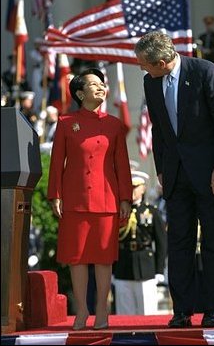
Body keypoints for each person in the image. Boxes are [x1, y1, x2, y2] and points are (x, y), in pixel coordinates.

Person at [134, 31, 214, 328]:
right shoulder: (151, 81)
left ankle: (213, 309)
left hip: (211, 174)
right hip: (176, 176)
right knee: (179, 242)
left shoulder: (206, 72)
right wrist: (162, 168)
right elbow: (158, 128)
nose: (142, 68)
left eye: (145, 64)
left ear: (163, 62)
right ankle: (182, 311)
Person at [47, 67, 132, 330]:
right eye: (94, 85)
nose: (100, 88)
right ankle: (82, 310)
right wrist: (55, 195)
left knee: (104, 258)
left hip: (107, 200)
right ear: (80, 93)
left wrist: (125, 198)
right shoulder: (65, 122)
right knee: (77, 257)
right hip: (74, 199)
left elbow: (122, 165)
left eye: (102, 84)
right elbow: (56, 162)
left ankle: (102, 309)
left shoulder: (114, 125)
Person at [113, 170, 167, 315]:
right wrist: (112, 269)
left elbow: (161, 242)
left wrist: (159, 270)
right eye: (129, 187)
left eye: (135, 187)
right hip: (123, 266)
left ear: (143, 188)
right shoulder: (118, 212)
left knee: (147, 311)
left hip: (146, 267)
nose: (131, 191)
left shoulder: (152, 212)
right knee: (124, 313)